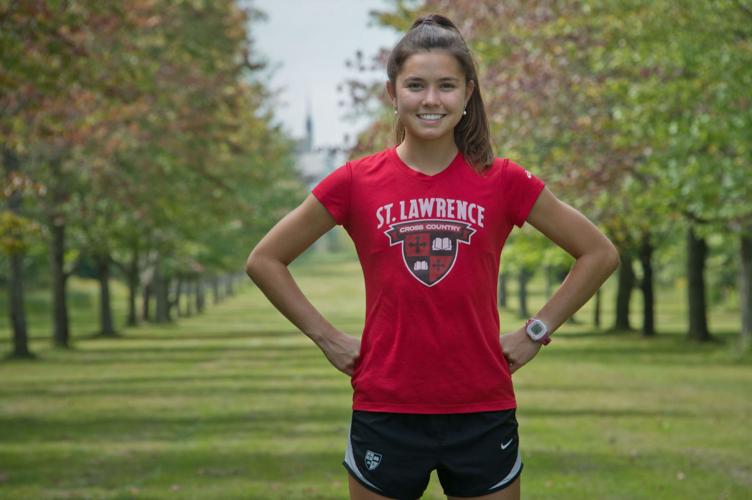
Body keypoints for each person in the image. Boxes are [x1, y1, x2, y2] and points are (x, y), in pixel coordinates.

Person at [245, 13, 619, 500]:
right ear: (393, 95)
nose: (430, 99)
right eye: (416, 85)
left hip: (481, 405)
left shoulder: (502, 180)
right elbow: (265, 260)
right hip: (386, 406)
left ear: (468, 95)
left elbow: (599, 253)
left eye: (446, 85)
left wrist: (536, 330)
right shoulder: (356, 182)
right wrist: (327, 337)